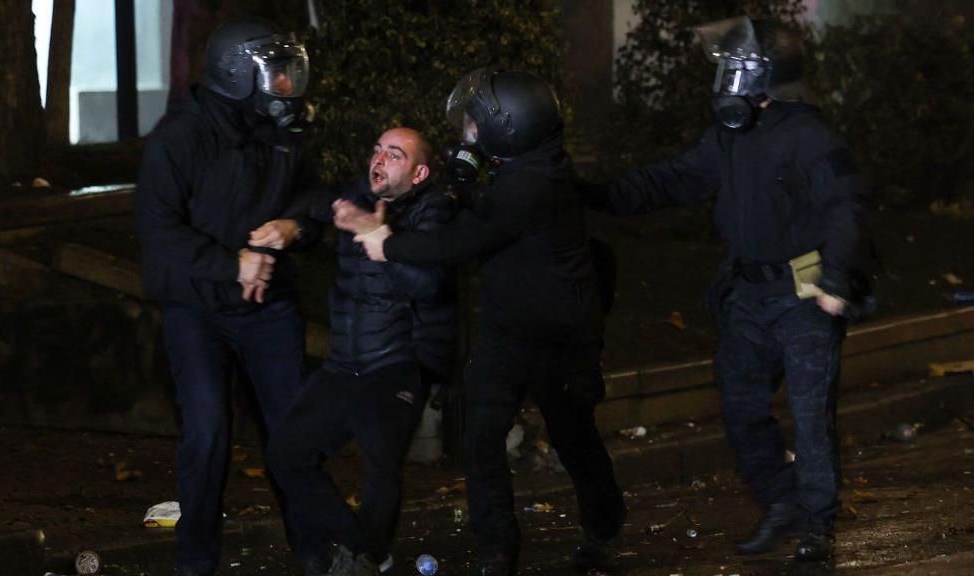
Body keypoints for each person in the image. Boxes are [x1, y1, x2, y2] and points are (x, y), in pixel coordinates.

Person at [578, 16, 876, 562]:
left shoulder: (810, 137)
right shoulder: (730, 135)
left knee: (811, 418)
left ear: (762, 77)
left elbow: (846, 208)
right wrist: (592, 194)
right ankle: (782, 503)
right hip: (748, 295)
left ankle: (816, 530)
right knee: (740, 405)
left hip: (806, 292)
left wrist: (838, 277)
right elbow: (671, 179)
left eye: (733, 70)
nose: (723, 82)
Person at [345, 69, 627, 576]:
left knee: (573, 437)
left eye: (477, 123)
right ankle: (497, 548)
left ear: (509, 127)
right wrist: (463, 183)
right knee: (480, 439)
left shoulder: (533, 184)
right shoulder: (525, 168)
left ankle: (602, 529)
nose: (469, 131)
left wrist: (388, 244)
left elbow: (461, 243)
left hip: (558, 338)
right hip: (506, 331)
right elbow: (488, 208)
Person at [135, 16, 319, 576]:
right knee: (209, 429)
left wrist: (295, 227)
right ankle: (195, 561)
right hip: (197, 307)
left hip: (266, 307)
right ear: (239, 75)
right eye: (276, 75)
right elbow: (158, 231)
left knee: (292, 431)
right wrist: (231, 262)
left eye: (291, 74)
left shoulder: (286, 131)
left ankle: (315, 552)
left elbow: (315, 198)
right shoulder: (180, 138)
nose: (287, 86)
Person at [266, 127, 455, 576]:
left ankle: (362, 559)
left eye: (394, 155)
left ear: (419, 172)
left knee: (382, 463)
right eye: (376, 151)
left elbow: (430, 286)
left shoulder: (433, 211)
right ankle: (363, 547)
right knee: (285, 455)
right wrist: (304, 221)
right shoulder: (356, 197)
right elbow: (313, 202)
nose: (379, 160)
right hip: (341, 366)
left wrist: (384, 240)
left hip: (393, 364)